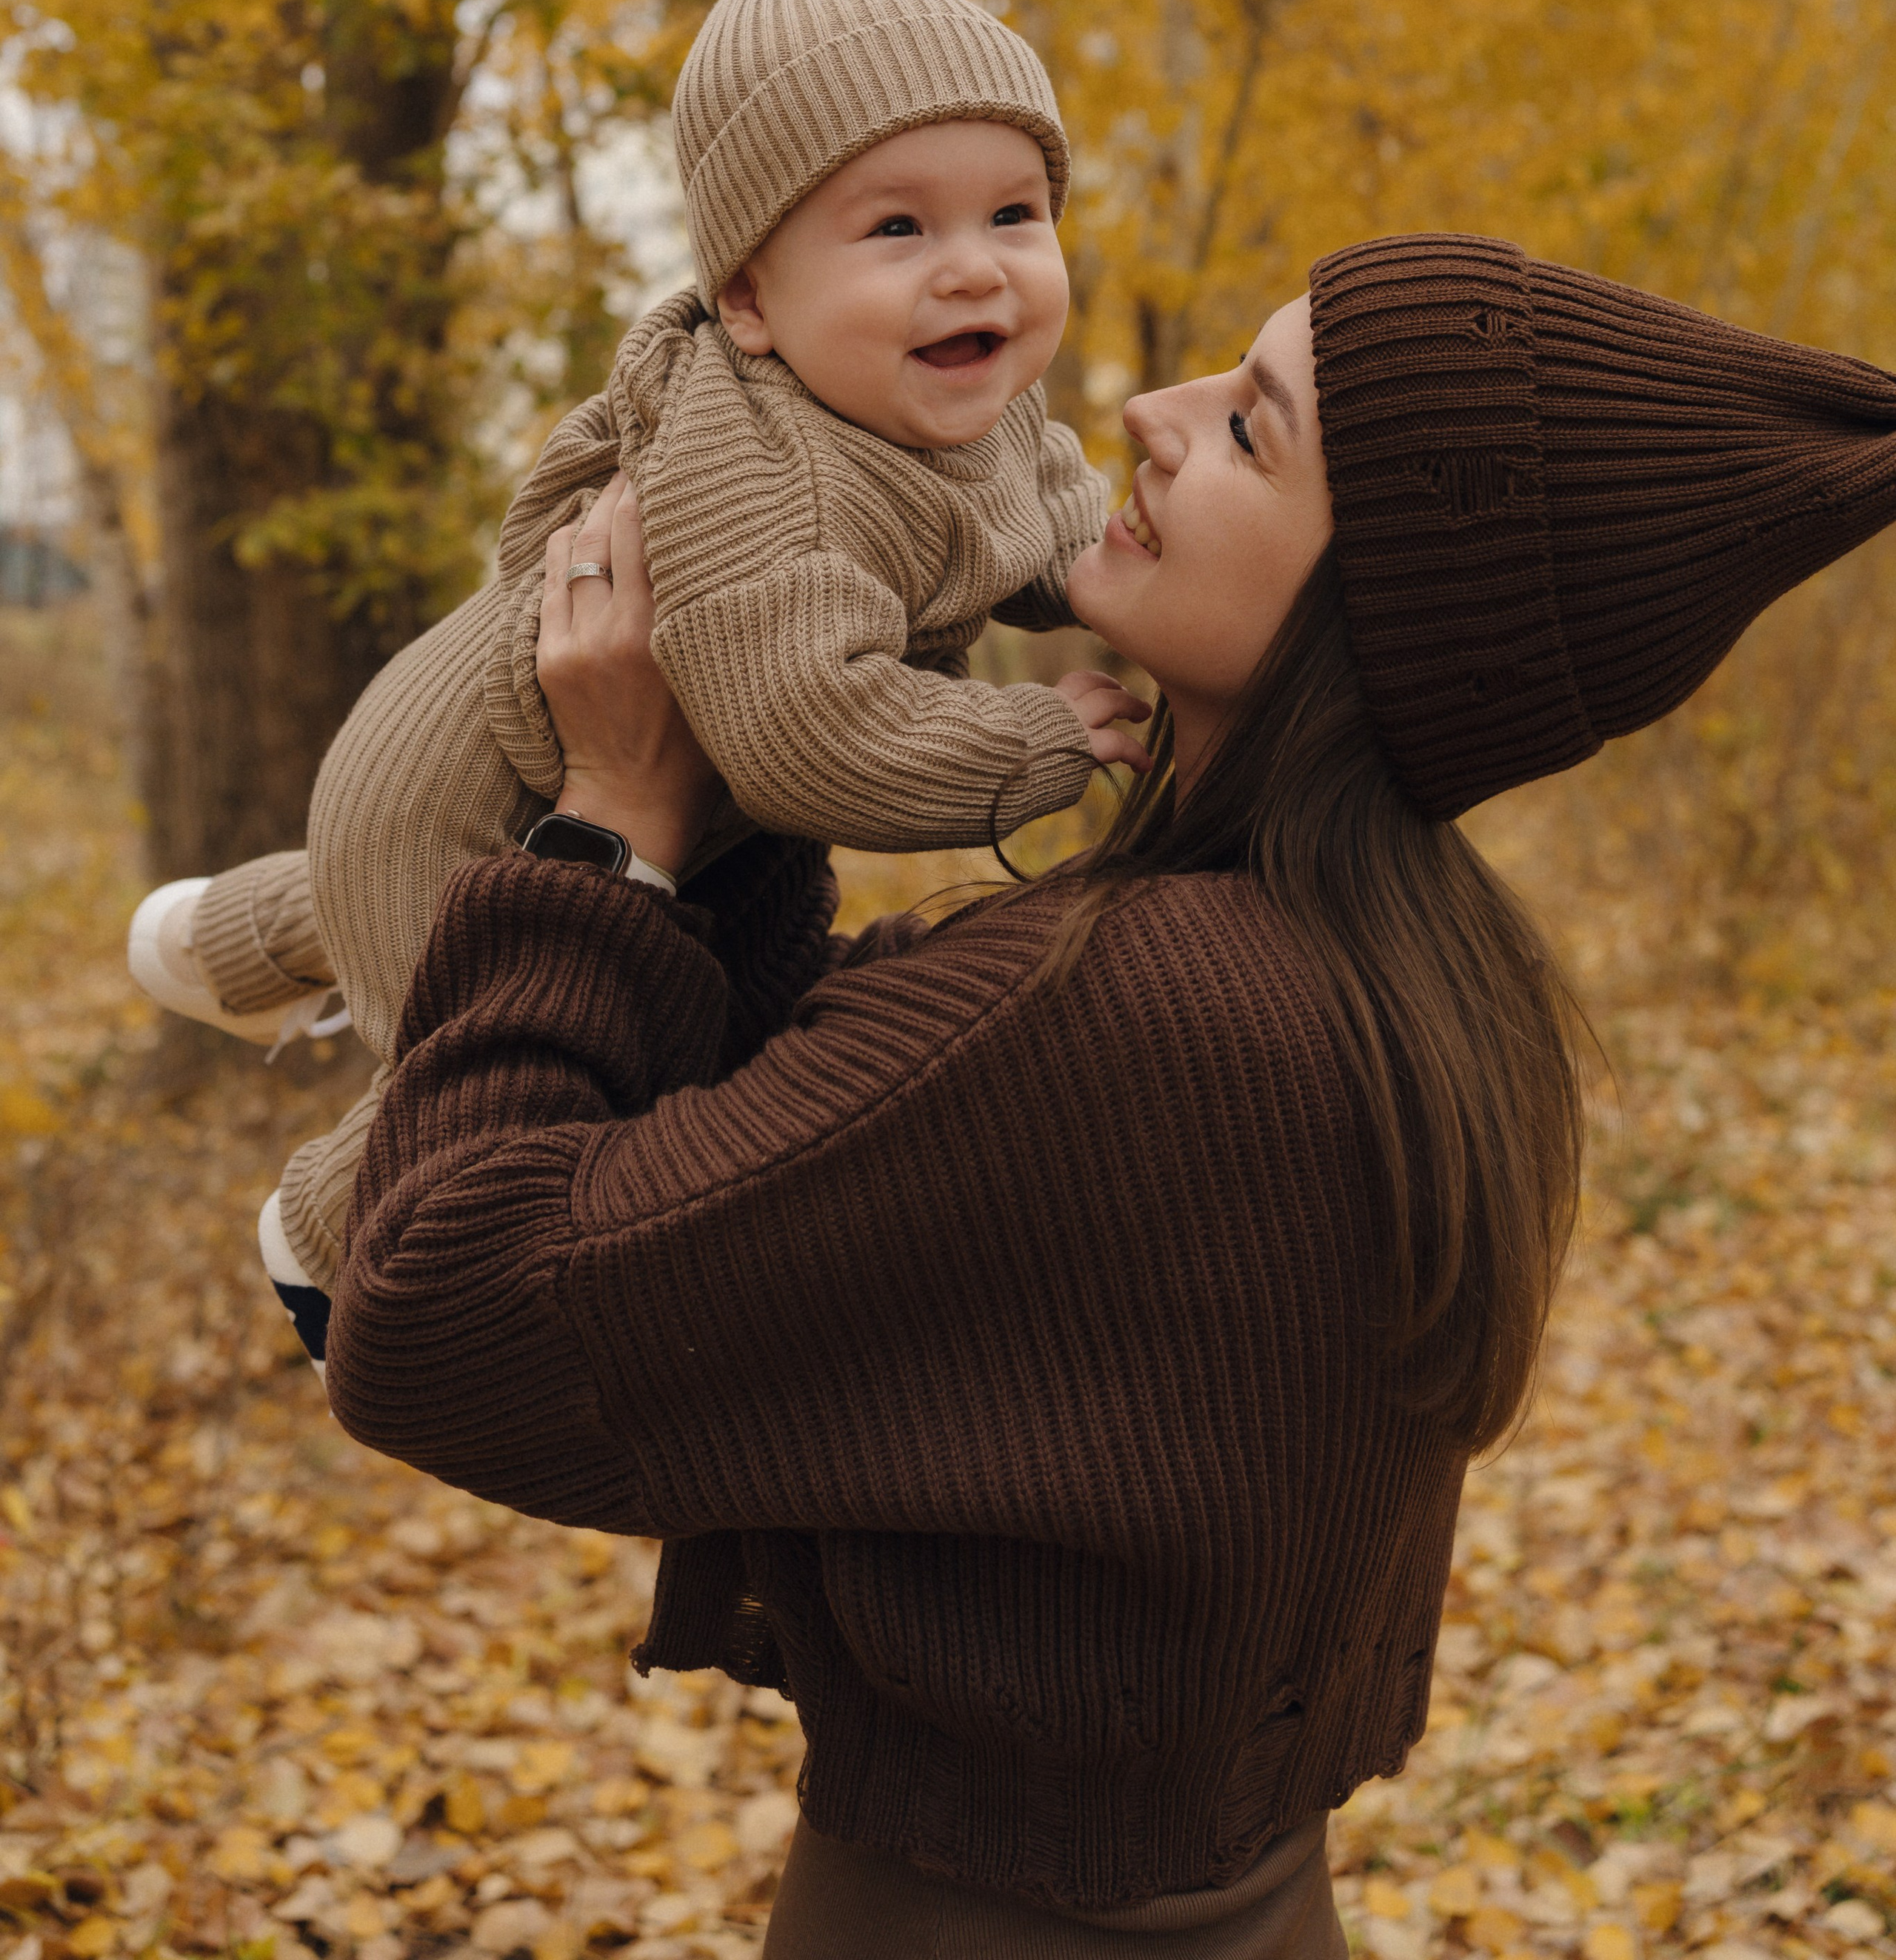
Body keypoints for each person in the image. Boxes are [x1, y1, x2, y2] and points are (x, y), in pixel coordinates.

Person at [324, 232, 1896, 1956]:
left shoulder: (1136, 1013)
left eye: (1249, 432)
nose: (1152, 412)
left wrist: (609, 826)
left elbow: (437, 1313)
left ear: (1385, 607)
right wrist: (766, 739)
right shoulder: (1422, 985)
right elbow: (783, 1135)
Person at [124, 0, 1151, 1349]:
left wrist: (1149, 594)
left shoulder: (964, 399)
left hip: (471, 774)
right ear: (746, 297)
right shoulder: (767, 465)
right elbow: (811, 739)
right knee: (489, 1020)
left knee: (409, 901)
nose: (976, 269)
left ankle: (234, 939)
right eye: (897, 227)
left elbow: (1041, 528)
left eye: (1013, 214)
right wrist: (1034, 739)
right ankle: (314, 1223)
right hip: (476, 815)